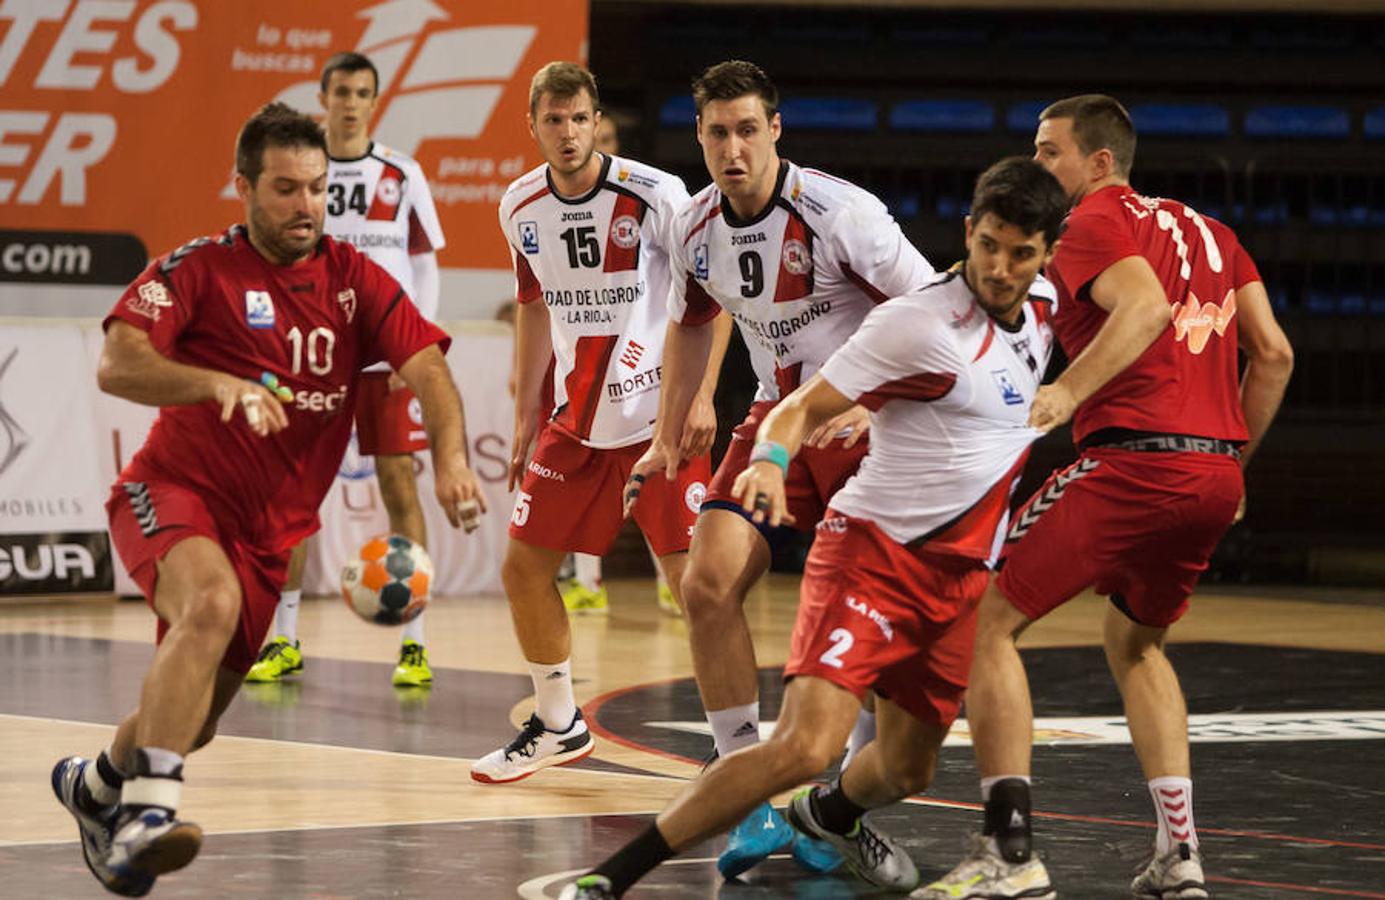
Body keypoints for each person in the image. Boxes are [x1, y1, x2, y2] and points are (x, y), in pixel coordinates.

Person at [558, 157, 1068, 900]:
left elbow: (1140, 312)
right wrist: (768, 461)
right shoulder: (917, 322)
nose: (999, 266)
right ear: (968, 233)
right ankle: (610, 877)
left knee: (904, 770)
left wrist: (1081, 391)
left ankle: (823, 819)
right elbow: (796, 409)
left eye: (1019, 252)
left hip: (956, 577)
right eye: (987, 244)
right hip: (871, 557)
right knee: (805, 743)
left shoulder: (1049, 305)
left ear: (1046, 255)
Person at [50, 102, 485, 896]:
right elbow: (117, 364)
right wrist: (217, 382)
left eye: (318, 189)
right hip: (169, 493)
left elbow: (428, 367)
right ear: (243, 188)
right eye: (286, 189)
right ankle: (148, 814)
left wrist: (451, 458)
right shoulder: (199, 269)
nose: (306, 207)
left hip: (268, 536)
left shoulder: (354, 280)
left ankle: (96, 788)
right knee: (207, 607)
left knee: (195, 721)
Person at [919, 95, 1294, 900]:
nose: (1035, 164)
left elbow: (1147, 308)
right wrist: (1232, 469)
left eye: (1048, 150)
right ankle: (1179, 856)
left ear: (1097, 164)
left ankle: (1009, 853)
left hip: (1131, 463)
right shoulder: (1213, 234)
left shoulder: (1090, 220)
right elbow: (1273, 356)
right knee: (1135, 643)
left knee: (981, 615)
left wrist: (1065, 392)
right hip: (1209, 472)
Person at [624, 59, 936, 878]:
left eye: (747, 130)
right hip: (774, 421)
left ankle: (841, 815)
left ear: (775, 131)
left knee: (864, 641)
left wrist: (875, 401)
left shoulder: (842, 214)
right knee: (704, 582)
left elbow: (933, 308)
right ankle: (745, 789)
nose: (733, 148)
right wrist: (664, 439)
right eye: (717, 132)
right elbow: (690, 325)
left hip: (868, 424)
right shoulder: (693, 228)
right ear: (699, 136)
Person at [470, 62, 730, 785]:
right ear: (533, 126)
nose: (567, 133)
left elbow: (713, 294)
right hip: (576, 424)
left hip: (659, 421)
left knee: (693, 584)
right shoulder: (518, 204)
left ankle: (734, 742)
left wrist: (702, 396)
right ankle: (557, 723)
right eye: (552, 120)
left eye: (578, 118)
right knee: (522, 568)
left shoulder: (654, 194)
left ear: (595, 120)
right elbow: (530, 304)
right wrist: (525, 407)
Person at [245, 51, 450, 688]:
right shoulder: (303, 172)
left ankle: (413, 644)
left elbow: (424, 266)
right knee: (295, 496)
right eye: (342, 92)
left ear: (375, 99)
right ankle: (284, 640)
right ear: (324, 96)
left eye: (363, 92)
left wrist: (414, 351)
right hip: (315, 356)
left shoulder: (402, 172)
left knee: (398, 489)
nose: (352, 102)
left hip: (384, 356)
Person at [555, 108, 682, 619]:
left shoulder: (648, 197)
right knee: (590, 494)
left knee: (653, 488)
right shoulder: (550, 207)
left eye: (603, 135)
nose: (591, 142)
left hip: (650, 379)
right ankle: (588, 583)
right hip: (588, 379)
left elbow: (692, 290)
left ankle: (670, 584)